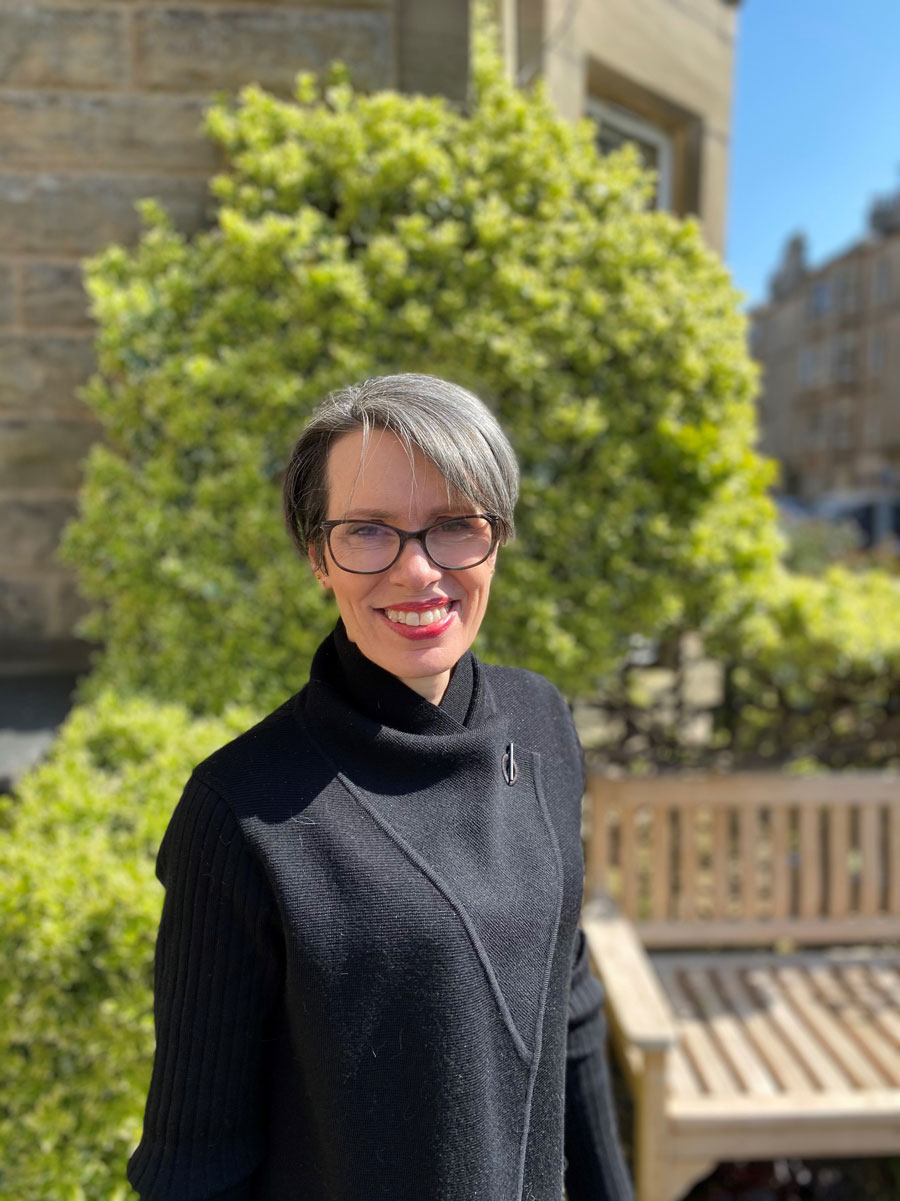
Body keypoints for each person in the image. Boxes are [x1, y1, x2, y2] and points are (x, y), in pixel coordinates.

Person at [127, 373, 634, 1201]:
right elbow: (194, 1169)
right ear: (316, 555)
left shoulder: (542, 724)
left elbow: (567, 1002)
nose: (418, 570)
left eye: (453, 526)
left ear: (497, 536)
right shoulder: (244, 811)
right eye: (367, 531)